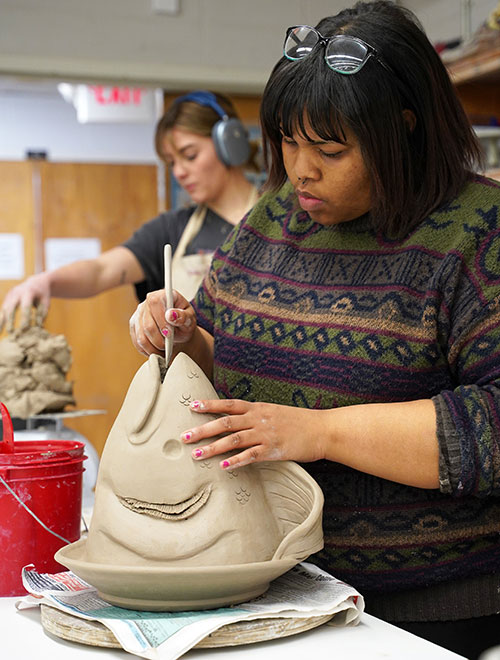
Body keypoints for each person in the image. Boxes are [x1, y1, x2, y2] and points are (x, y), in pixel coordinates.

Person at [129, 2, 500, 658]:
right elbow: (229, 369)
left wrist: (323, 434)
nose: (301, 170)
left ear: (403, 130)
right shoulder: (274, 219)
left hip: (433, 614)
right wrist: (184, 338)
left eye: (330, 149)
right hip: (282, 589)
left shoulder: (479, 232)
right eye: (289, 143)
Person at [0, 90, 260, 332]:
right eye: (171, 162)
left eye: (189, 155)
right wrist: (45, 281)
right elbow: (101, 269)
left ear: (230, 146)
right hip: (190, 379)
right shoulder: (172, 230)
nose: (179, 172)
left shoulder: (283, 219)